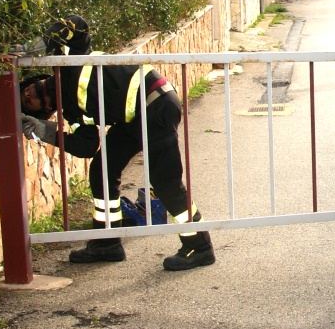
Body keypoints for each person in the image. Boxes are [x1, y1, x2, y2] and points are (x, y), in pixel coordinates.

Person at [20, 15, 216, 271]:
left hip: (155, 104)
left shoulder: (66, 62)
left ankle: (199, 246)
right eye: (27, 103)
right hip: (134, 118)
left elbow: (78, 26)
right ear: (45, 110)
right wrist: (47, 132)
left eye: (28, 89)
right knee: (103, 169)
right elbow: (86, 146)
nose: (29, 94)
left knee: (165, 181)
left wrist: (43, 42)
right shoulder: (71, 110)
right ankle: (106, 243)